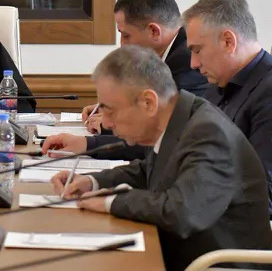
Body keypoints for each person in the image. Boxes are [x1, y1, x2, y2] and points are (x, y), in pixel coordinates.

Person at [51, 46, 271, 271]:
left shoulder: (208, 133)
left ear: (148, 102)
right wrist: (92, 182)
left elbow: (183, 212)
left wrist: (111, 202)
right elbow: (149, 171)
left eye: (110, 110)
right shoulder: (182, 118)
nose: (105, 122)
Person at [42, 0, 209, 158]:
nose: (122, 44)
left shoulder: (187, 62)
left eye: (126, 35)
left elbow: (161, 138)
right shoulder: (170, 54)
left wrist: (94, 138)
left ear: (154, 31)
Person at [183, 0, 272, 213]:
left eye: (197, 50)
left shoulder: (268, 92)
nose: (193, 63)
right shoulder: (216, 86)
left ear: (228, 41)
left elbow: (262, 194)